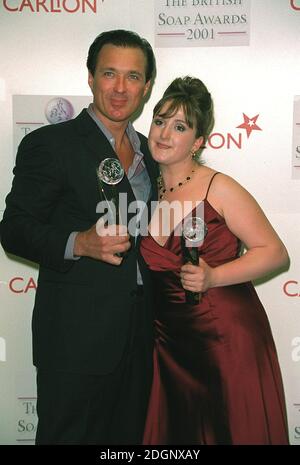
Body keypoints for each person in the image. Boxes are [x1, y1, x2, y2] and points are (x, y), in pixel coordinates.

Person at [0, 30, 158, 444]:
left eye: (133, 77)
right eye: (109, 73)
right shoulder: (51, 144)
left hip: (141, 336)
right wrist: (80, 243)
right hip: (75, 338)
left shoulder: (153, 155)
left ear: (146, 86)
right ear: (90, 78)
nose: (120, 88)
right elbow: (14, 228)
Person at [140, 76, 290, 445]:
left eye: (180, 126)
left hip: (225, 338)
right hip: (171, 344)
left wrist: (214, 276)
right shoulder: (143, 189)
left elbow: (275, 252)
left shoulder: (218, 187)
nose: (164, 133)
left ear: (198, 142)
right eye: (159, 121)